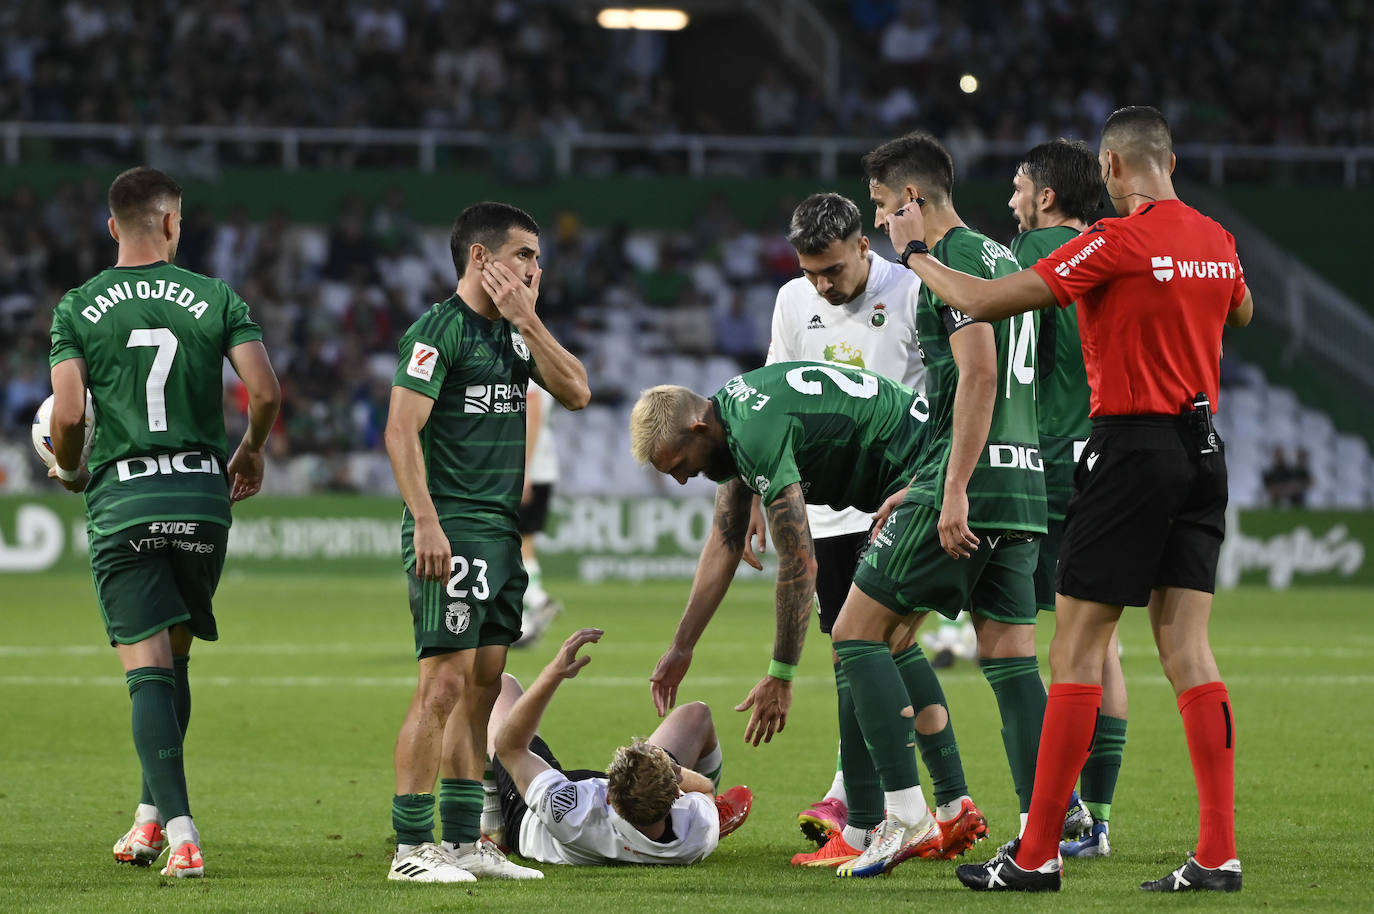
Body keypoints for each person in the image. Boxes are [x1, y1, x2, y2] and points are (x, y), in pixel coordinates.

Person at [883, 106, 1253, 892]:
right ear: (1172, 162)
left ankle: (1037, 852)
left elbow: (981, 302)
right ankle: (1218, 854)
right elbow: (1242, 310)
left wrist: (915, 254)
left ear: (1113, 169)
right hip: (1205, 448)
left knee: (1077, 651)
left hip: (1132, 450)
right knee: (1188, 652)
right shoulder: (1217, 242)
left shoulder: (1112, 242)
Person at [633, 360, 989, 870]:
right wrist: (681, 646)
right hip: (927, 466)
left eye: (680, 464)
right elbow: (726, 540)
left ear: (697, 428)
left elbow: (798, 566)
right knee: (886, 645)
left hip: (929, 475)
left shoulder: (752, 429)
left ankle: (885, 824)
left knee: (855, 642)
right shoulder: (730, 418)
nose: (685, 478)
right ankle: (947, 808)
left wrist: (781, 674)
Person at [813, 131, 1051, 879]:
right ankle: (1043, 830)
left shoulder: (950, 266)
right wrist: (921, 481)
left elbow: (976, 377)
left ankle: (904, 813)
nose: (883, 223)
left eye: (885, 207)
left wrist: (947, 488)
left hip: (971, 480)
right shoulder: (1003, 258)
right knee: (1011, 658)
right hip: (1021, 479)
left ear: (912, 201)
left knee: (856, 635)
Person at [46, 166, 281, 878]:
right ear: (173, 224)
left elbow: (66, 415)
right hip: (203, 502)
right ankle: (149, 821)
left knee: (145, 670)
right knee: (173, 664)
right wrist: (250, 451)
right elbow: (265, 391)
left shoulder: (79, 308)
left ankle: (182, 832)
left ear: (112, 226)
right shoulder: (215, 297)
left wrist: (69, 470)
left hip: (126, 499)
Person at [383, 201, 590, 883]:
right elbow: (400, 430)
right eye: (524, 255)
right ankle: (412, 848)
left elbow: (579, 390)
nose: (537, 265)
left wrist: (529, 317)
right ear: (481, 258)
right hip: (453, 528)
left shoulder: (515, 335)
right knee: (440, 687)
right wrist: (427, 520)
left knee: (482, 688)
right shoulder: (437, 332)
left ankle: (465, 840)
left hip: (502, 535)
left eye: (537, 256)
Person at [748, 191, 956, 867]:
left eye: (832, 271)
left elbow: (944, 389)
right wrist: (758, 487)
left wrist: (927, 480)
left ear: (865, 246)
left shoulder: (914, 292)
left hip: (897, 497)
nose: (821, 285)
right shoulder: (790, 302)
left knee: (862, 647)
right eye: (810, 272)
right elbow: (776, 387)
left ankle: (870, 813)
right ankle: (939, 805)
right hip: (827, 507)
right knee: (873, 649)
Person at [1008, 138, 1128, 858]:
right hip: (1111, 455)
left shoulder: (1019, 257)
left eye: (1019, 188)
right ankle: (1098, 819)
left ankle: (1057, 812)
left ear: (1046, 196)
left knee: (1010, 635)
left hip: (1037, 464)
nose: (1012, 201)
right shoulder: (1116, 253)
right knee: (1100, 644)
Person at [488, 627, 754, 865]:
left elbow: (510, 747)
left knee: (498, 686)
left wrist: (553, 674)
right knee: (696, 716)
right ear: (676, 791)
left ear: (608, 794)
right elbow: (706, 788)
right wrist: (674, 778)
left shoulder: (572, 813)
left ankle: (493, 822)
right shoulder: (697, 832)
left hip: (535, 821)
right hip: (641, 805)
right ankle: (699, 801)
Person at [514, 384, 563, 647]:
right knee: (521, 545)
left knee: (515, 544)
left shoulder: (527, 375)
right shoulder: (539, 370)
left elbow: (531, 419)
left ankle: (536, 600)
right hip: (540, 467)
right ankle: (525, 621)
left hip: (529, 470)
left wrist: (524, 470)